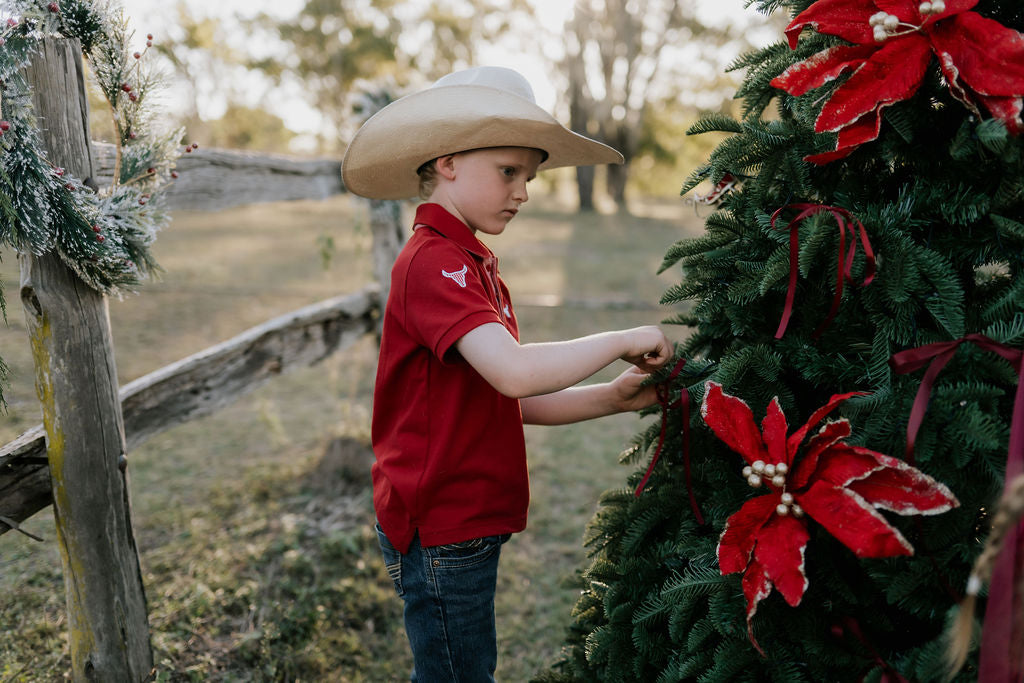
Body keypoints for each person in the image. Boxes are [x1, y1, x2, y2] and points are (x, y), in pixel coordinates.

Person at [342, 66, 672, 682]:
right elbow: (516, 373)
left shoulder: (470, 263)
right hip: (440, 523)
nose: (522, 191)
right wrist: (623, 338)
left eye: (529, 176)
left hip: (467, 521)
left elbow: (506, 399)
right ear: (447, 161)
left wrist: (614, 399)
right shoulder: (434, 263)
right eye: (508, 171)